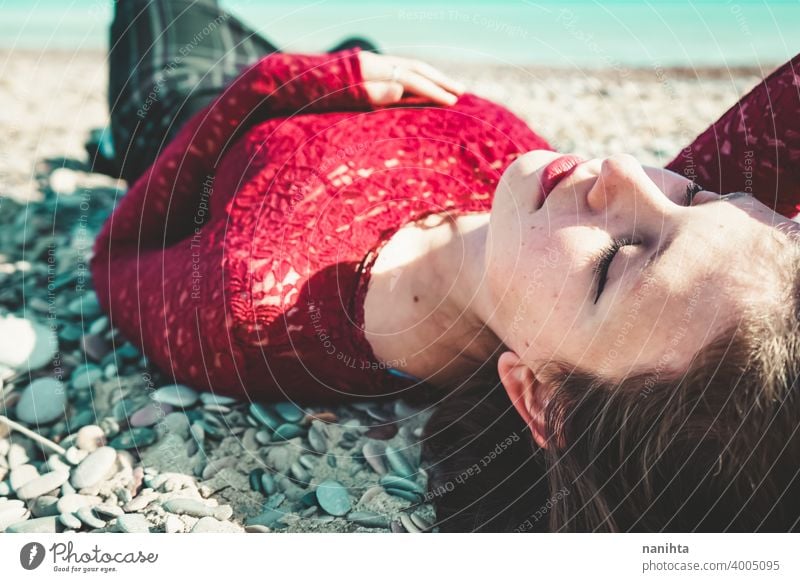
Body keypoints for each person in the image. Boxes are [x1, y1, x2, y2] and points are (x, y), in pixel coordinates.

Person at [90, 0, 800, 531]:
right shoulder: (588, 237)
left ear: (537, 398)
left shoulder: (254, 307)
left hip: (200, 113)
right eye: (698, 192)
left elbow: (116, 251)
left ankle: (110, 142)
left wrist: (294, 82)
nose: (621, 170)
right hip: (354, 85)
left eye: (614, 262)